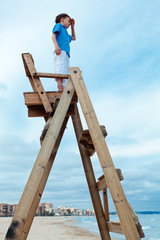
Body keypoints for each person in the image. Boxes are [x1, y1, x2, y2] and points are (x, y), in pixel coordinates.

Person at [52, 13, 76, 91]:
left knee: (65, 71)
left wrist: (72, 26)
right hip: (60, 51)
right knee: (60, 68)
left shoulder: (65, 33)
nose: (69, 23)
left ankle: (64, 88)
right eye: (69, 21)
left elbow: (73, 38)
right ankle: (60, 88)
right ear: (62, 19)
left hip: (66, 53)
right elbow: (53, 36)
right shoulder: (59, 26)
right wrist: (56, 46)